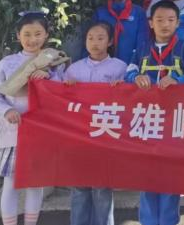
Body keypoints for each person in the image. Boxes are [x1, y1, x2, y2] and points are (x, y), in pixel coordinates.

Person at [0, 12, 63, 225]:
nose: (32, 39)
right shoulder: (6, 64)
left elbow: (63, 94)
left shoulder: (54, 62)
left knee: (36, 185)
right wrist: (5, 110)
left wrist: (50, 76)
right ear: (18, 35)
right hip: (13, 134)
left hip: (41, 134)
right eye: (27, 34)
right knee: (11, 184)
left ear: (46, 35)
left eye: (37, 33)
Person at [126, 0, 184, 225]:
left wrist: (179, 80)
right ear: (150, 23)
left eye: (170, 20)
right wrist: (135, 77)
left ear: (178, 23)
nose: (165, 24)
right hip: (146, 120)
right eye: (159, 20)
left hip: (174, 120)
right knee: (147, 176)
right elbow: (128, 73)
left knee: (170, 176)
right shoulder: (142, 48)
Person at [62, 21, 125, 225]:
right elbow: (62, 101)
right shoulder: (74, 69)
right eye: (90, 38)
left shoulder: (120, 67)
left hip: (105, 135)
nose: (94, 43)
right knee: (79, 187)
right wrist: (67, 88)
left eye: (100, 38)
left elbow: (128, 102)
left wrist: (122, 88)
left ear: (110, 41)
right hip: (78, 135)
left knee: (102, 188)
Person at [93, 0, 149, 64]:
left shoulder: (139, 12)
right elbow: (92, 39)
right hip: (103, 63)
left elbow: (142, 41)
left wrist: (138, 63)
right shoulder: (100, 12)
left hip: (130, 63)